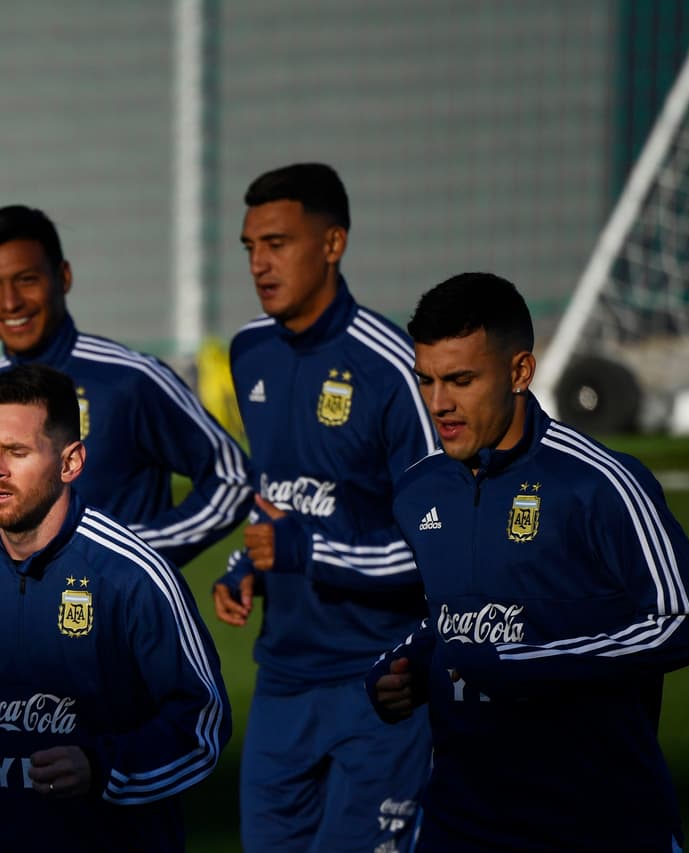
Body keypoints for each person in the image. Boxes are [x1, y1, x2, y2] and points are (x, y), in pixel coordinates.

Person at [367, 272, 689, 851]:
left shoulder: (600, 483)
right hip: (461, 823)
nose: (439, 404)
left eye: (460, 380)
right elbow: (453, 619)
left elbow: (688, 620)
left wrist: (530, 658)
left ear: (520, 372)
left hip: (597, 824)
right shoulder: (418, 490)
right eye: (426, 380)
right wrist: (403, 666)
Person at [211, 163, 439, 852]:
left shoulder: (395, 368)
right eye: (249, 246)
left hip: (380, 682)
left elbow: (441, 543)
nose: (259, 262)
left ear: (333, 242)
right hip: (282, 681)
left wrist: (306, 552)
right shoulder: (250, 351)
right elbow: (276, 492)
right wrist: (241, 562)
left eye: (277, 242)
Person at [0, 363, 231, 852]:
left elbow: (203, 724)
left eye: (17, 451)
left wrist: (101, 766)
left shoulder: (132, 574)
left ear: (70, 463)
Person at [0, 204, 251, 567]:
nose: (10, 302)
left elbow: (233, 479)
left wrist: (135, 555)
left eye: (27, 280)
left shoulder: (129, 379)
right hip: (18, 621)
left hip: (115, 620)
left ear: (63, 277)